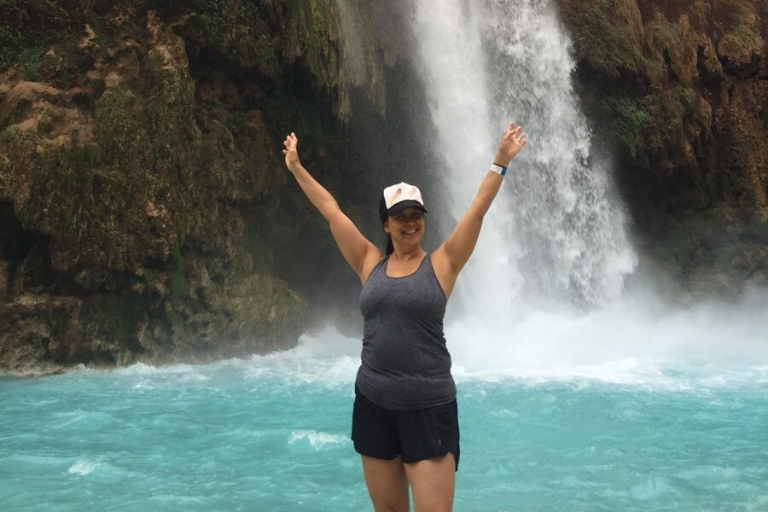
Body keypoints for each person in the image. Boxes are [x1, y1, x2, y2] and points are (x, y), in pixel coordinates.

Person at [282, 122, 527, 512]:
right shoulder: (368, 263)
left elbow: (477, 211)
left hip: (428, 408)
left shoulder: (442, 264)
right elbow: (331, 211)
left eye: (416, 213)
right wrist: (296, 168)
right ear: (386, 223)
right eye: (400, 215)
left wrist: (500, 161)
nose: (410, 221)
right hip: (374, 403)